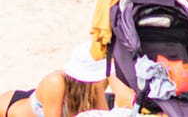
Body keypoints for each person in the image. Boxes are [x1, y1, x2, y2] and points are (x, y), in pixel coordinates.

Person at [1, 42, 129, 117]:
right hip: (9, 109)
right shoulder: (56, 82)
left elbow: (102, 114)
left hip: (50, 101)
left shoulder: (93, 87)